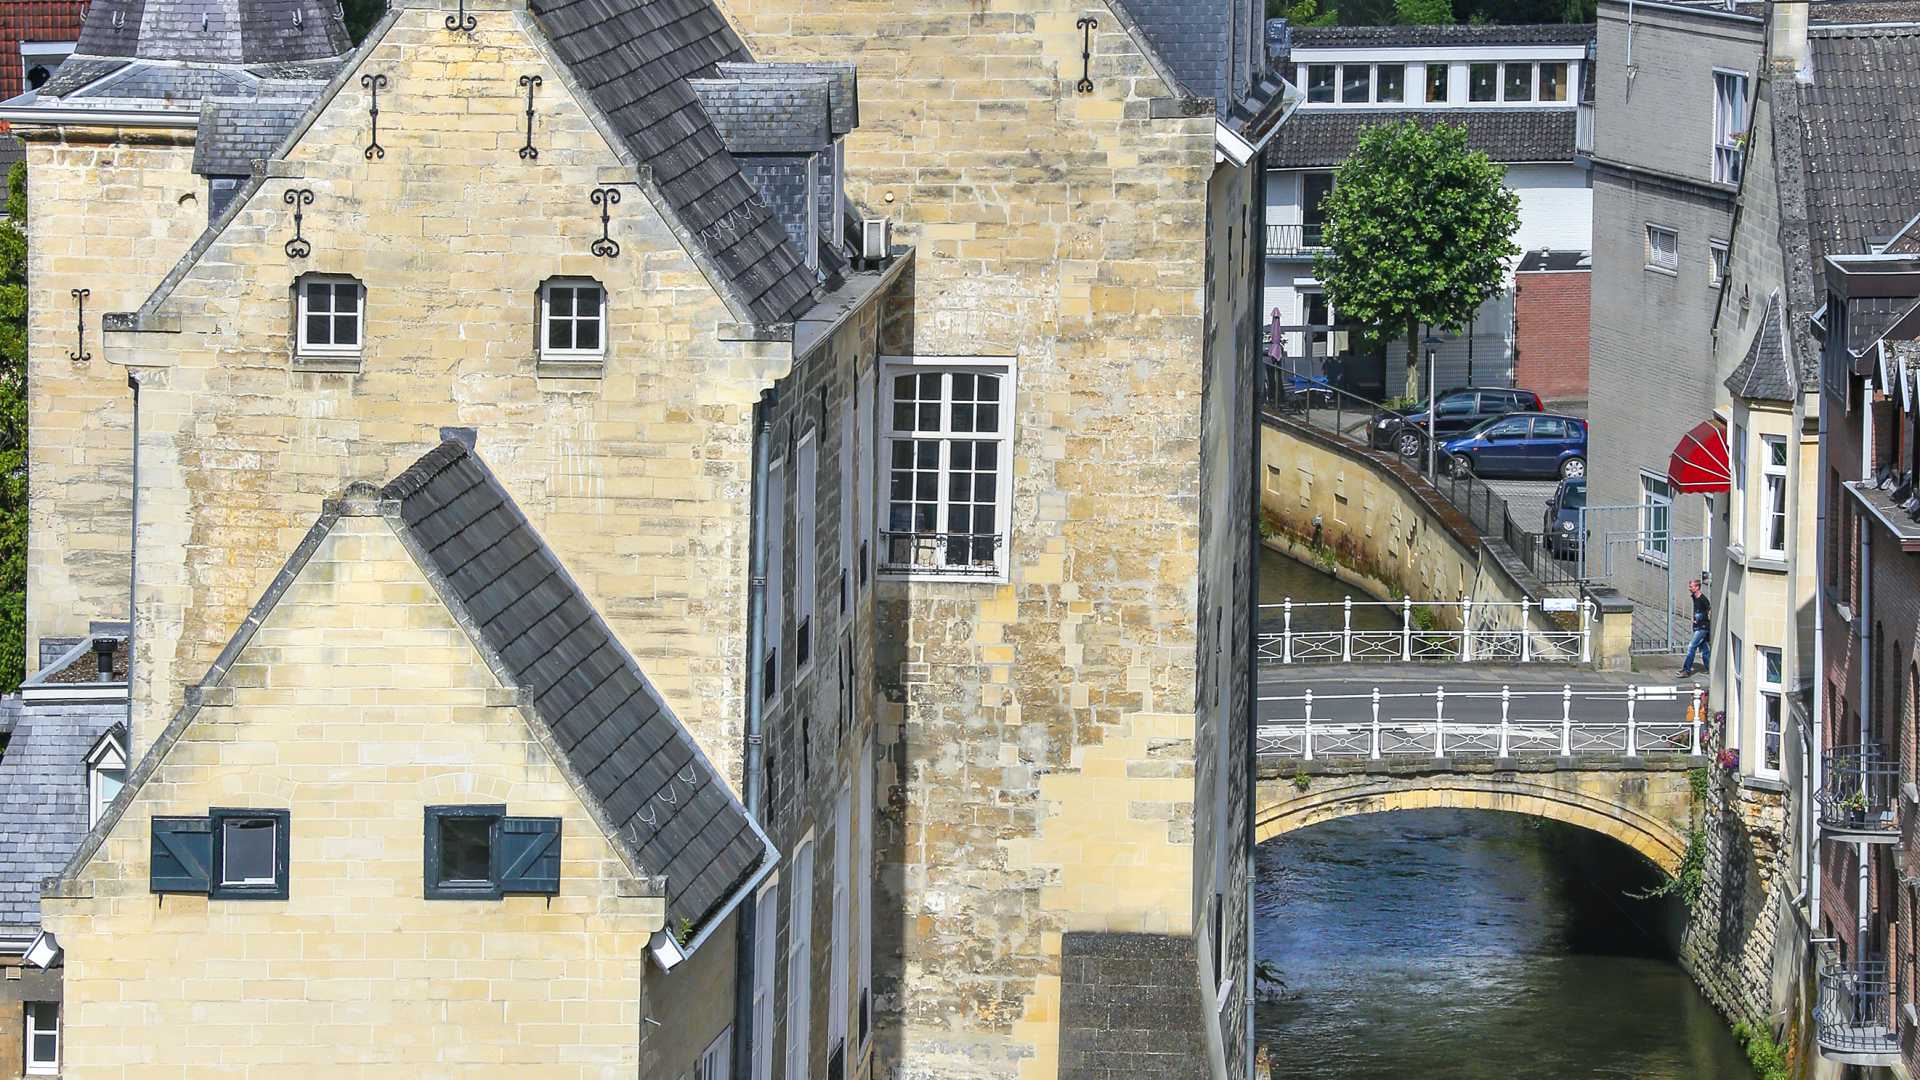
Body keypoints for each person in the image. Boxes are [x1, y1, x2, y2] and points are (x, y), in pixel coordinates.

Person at [1679, 579, 1711, 677]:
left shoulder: (1703, 599)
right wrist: (1694, 617)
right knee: (1704, 648)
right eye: (1690, 586)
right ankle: (1709, 667)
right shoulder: (1694, 596)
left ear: (1697, 587)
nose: (1689, 588)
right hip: (1697, 626)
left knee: (1691, 647)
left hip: (1702, 627)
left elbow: (1709, 610)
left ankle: (1686, 670)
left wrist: (1700, 618)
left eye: (1691, 586)